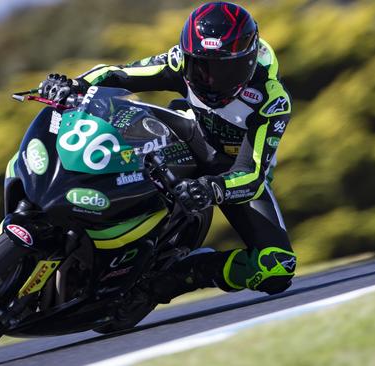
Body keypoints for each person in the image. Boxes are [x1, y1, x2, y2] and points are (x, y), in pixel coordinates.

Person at [39, 2, 296, 306]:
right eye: (201, 67)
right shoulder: (179, 61)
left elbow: (253, 174)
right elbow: (118, 73)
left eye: (227, 69)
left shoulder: (271, 100)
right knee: (113, 112)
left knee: (278, 268)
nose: (211, 80)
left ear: (250, 61)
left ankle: (185, 275)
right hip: (186, 134)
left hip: (231, 173)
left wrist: (213, 187)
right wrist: (73, 85)